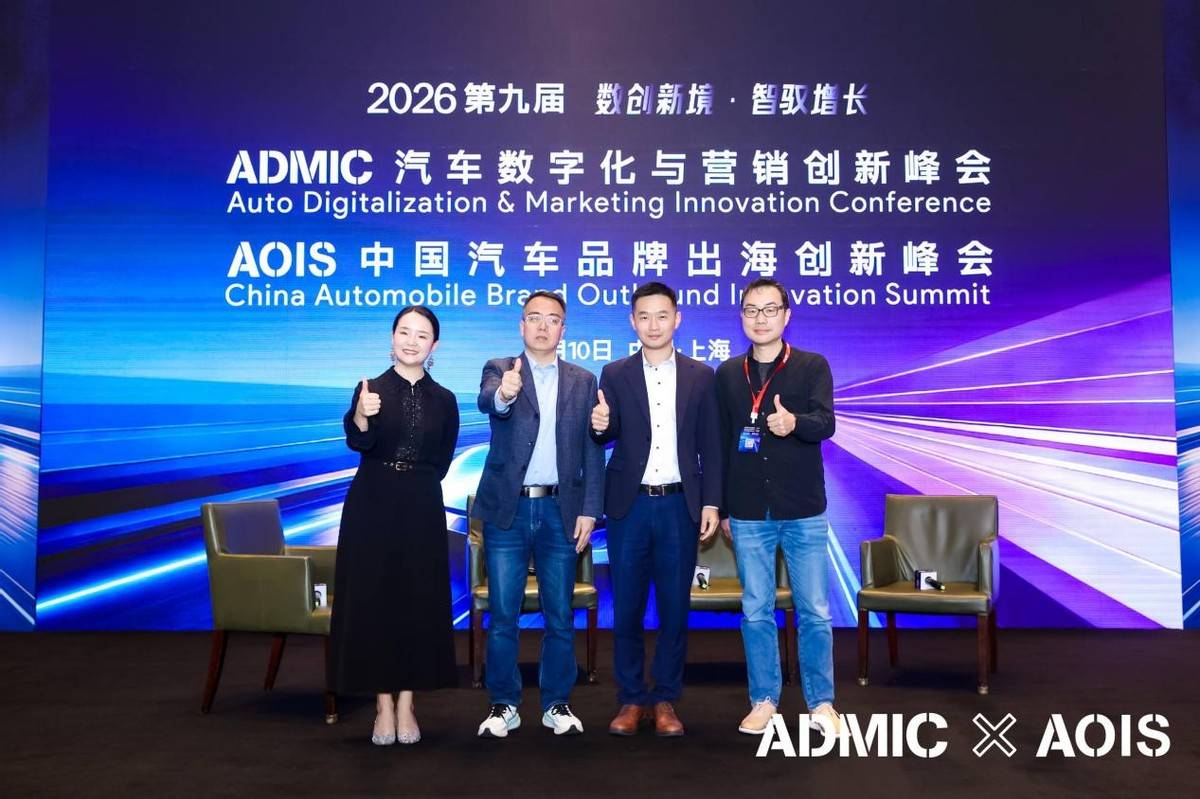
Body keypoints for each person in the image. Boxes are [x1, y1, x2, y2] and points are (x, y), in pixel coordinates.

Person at [589, 282, 721, 737]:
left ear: (677, 319)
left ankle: (665, 698)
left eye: (662, 315)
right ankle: (630, 698)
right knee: (626, 607)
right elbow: (605, 434)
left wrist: (711, 501)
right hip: (629, 506)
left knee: (674, 608)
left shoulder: (702, 375)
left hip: (679, 505)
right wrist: (600, 425)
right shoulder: (614, 373)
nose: (653, 325)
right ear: (632, 321)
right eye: (643, 316)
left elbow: (711, 446)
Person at [471, 290, 605, 738]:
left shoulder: (583, 380)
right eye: (534, 318)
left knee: (559, 615)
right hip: (507, 510)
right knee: (503, 614)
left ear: (563, 329)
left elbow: (592, 449)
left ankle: (556, 703)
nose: (543, 326)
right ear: (521, 325)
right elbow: (489, 400)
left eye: (552, 319)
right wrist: (505, 394)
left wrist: (590, 510)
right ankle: (503, 704)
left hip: (559, 510)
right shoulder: (500, 368)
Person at [714, 277, 842, 736]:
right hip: (748, 510)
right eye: (752, 310)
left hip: (803, 508)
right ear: (742, 317)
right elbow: (721, 443)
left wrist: (795, 423)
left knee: (815, 610)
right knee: (756, 610)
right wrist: (722, 507)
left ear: (786, 316)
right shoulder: (728, 374)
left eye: (770, 309)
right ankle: (763, 699)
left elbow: (826, 422)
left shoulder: (811, 366)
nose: (761, 318)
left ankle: (821, 703)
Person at [329, 306, 460, 746]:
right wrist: (361, 415)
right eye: (404, 332)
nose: (411, 341)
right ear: (391, 337)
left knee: (416, 603)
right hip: (372, 503)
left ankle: (407, 703)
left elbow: (442, 459)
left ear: (434, 345)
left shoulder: (445, 399)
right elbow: (360, 441)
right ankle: (382, 705)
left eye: (422, 335)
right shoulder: (371, 389)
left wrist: (415, 484)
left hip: (421, 505)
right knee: (375, 603)